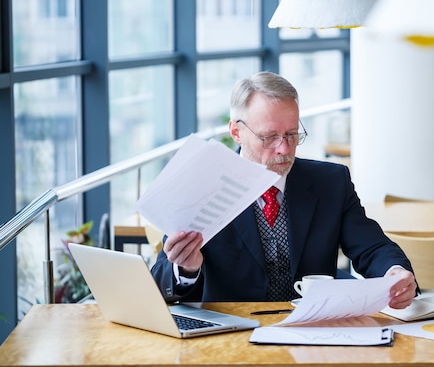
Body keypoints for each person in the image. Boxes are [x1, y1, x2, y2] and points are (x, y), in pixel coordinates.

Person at [151, 71, 419, 309]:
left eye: (292, 135)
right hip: (231, 338)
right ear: (236, 132)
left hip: (312, 331)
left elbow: (372, 247)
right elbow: (160, 282)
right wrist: (185, 268)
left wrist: (394, 272)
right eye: (269, 137)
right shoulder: (201, 187)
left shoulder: (331, 181)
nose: (284, 149)